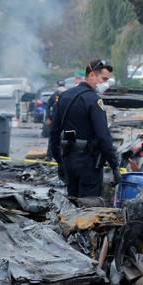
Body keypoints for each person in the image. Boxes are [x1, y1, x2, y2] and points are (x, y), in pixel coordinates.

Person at [49, 59, 121, 198]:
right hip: (88, 163)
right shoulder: (94, 100)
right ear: (92, 75)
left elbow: (54, 131)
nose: (106, 83)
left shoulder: (64, 96)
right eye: (104, 79)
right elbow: (103, 136)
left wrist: (60, 161)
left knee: (72, 202)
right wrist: (114, 166)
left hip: (68, 159)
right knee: (88, 205)